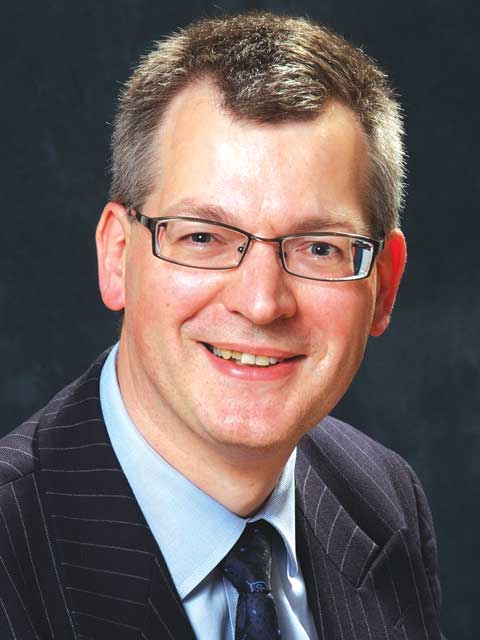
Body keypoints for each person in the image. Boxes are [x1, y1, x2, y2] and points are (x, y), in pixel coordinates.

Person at [0, 11, 445, 640]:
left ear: (385, 284)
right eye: (203, 237)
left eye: (319, 247)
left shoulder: (384, 499)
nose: (261, 303)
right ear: (117, 257)